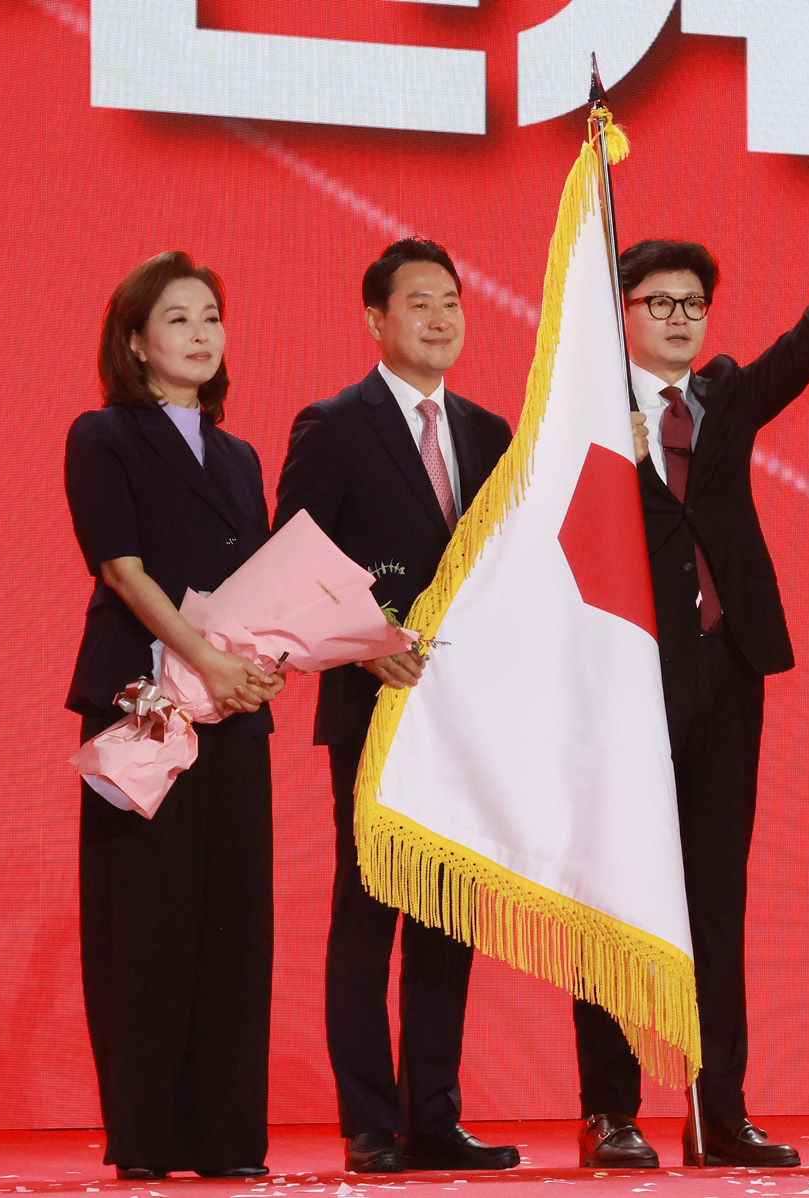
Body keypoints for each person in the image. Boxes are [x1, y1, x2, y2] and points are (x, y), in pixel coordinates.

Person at [570, 147, 809, 1171]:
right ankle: (610, 1110)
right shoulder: (578, 409)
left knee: (716, 893)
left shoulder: (726, 397)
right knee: (615, 892)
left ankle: (719, 1111)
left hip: (726, 663)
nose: (678, 317)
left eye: (692, 303)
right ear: (619, 312)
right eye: (657, 302)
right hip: (622, 674)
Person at [272, 238, 520, 1175]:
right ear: (375, 318)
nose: (440, 317)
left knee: (449, 919)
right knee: (371, 910)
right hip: (376, 703)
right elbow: (293, 556)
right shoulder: (335, 426)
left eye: (451, 300)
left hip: (466, 715)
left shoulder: (491, 433)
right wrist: (365, 637)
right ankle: (371, 1121)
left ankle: (434, 1117)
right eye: (419, 302)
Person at [63, 250, 284, 1179]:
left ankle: (227, 1137)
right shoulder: (103, 434)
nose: (201, 335)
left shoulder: (239, 455)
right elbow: (121, 569)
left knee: (234, 922)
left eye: (211, 318)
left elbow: (264, 583)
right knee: (144, 924)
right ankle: (147, 1138)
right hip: (144, 705)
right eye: (179, 319)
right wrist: (205, 659)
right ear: (134, 341)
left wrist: (262, 665)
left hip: (232, 711)